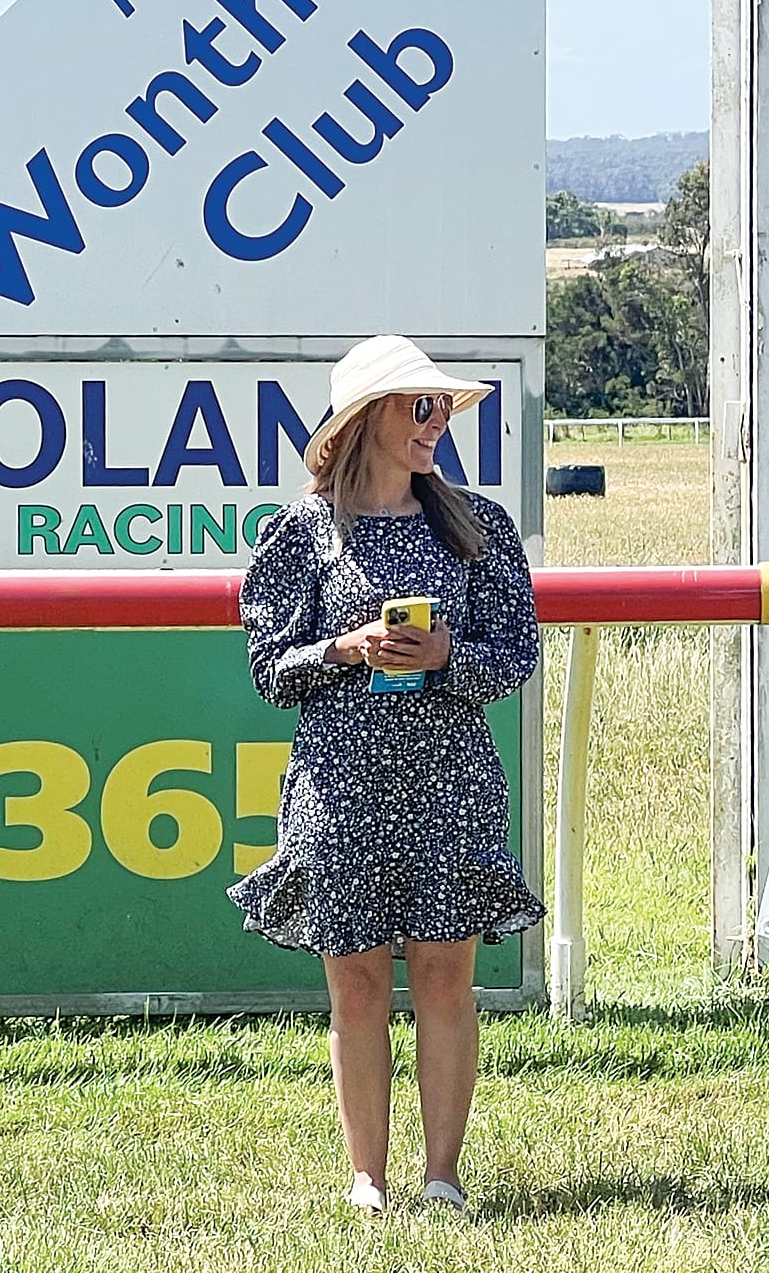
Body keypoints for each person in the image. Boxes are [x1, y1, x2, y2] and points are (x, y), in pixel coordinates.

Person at [229, 334, 545, 1216]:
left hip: (450, 781)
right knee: (357, 980)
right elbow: (268, 669)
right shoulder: (300, 533)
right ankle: (367, 1178)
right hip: (339, 786)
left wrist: (445, 655)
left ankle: (441, 1174)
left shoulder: (478, 526)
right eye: (421, 407)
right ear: (365, 419)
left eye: (442, 408)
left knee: (447, 973)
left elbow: (515, 653)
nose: (437, 423)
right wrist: (344, 645)